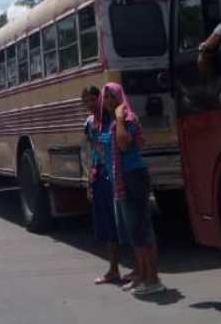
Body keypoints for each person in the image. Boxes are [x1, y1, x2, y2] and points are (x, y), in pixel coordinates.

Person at [101, 82, 165, 296]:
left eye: (112, 97)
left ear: (120, 97)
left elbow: (123, 144)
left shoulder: (127, 118)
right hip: (124, 178)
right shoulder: (112, 121)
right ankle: (142, 276)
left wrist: (119, 118)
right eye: (106, 97)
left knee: (142, 228)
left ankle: (153, 279)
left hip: (134, 176)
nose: (109, 101)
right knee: (134, 230)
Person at [82, 85, 128, 286]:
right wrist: (89, 181)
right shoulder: (90, 124)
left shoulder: (112, 120)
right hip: (99, 177)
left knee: (124, 223)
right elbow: (91, 153)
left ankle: (137, 271)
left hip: (116, 176)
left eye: (94, 99)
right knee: (107, 225)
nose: (92, 104)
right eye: (87, 101)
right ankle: (113, 269)